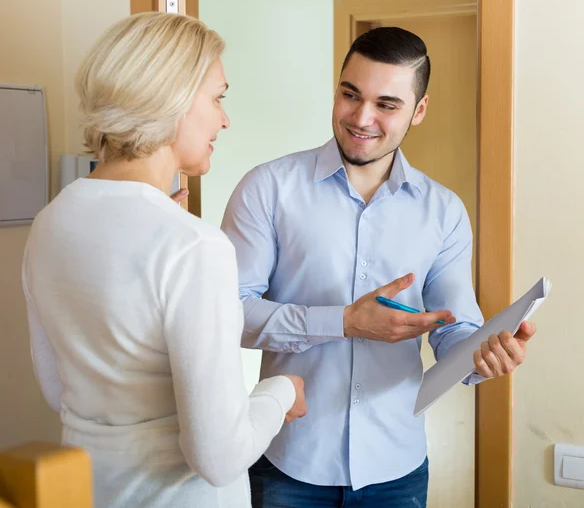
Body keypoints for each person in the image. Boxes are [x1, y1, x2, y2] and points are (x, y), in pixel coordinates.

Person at [221, 26, 536, 508]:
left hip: (398, 469)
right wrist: (343, 321)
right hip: (289, 460)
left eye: (386, 104)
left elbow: (454, 328)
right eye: (350, 95)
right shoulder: (267, 189)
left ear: (419, 110)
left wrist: (483, 353)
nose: (361, 117)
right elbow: (229, 315)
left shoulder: (444, 211)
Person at [22, 12, 307, 508]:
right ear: (170, 98)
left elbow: (59, 391)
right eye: (218, 97)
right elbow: (218, 458)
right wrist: (281, 391)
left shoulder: (50, 222)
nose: (225, 118)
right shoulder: (195, 247)